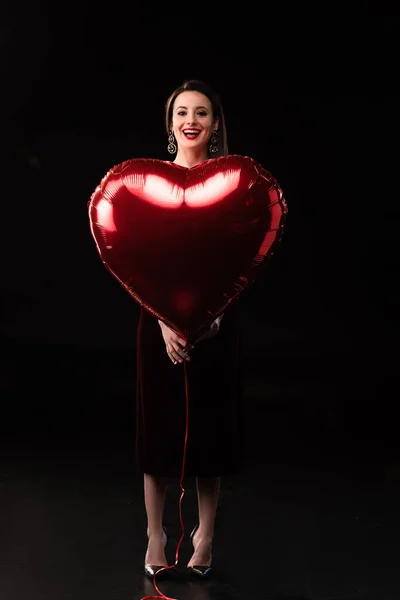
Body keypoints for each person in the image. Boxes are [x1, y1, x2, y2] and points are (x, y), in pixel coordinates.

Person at [136, 79, 246, 579]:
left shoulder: (233, 181)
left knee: (210, 432)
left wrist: (215, 314)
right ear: (170, 122)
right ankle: (156, 534)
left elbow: (240, 258)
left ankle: (206, 536)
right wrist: (162, 320)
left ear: (215, 122)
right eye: (182, 111)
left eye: (202, 112)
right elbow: (137, 258)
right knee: (157, 431)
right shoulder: (149, 181)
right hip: (156, 321)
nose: (192, 120)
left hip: (217, 322)